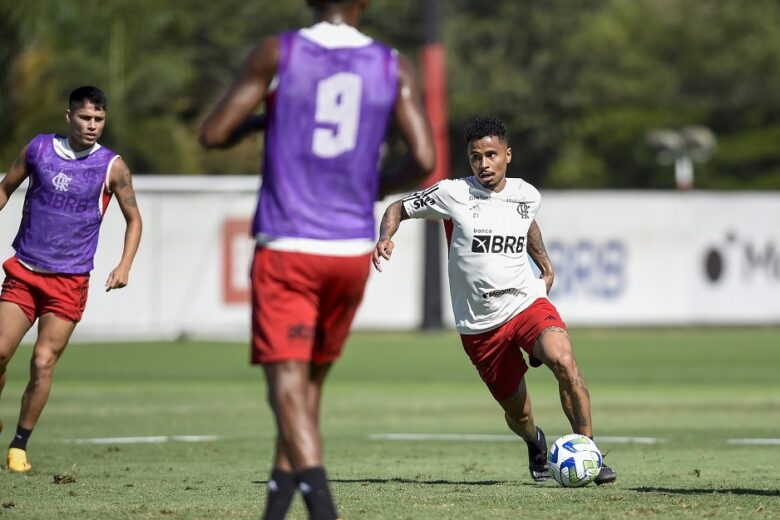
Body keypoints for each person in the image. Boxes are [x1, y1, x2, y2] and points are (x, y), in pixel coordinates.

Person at [199, 0, 435, 518]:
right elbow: (422, 158)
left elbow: (213, 133)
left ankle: (324, 511)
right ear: (364, 4)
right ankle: (274, 512)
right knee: (305, 396)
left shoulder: (278, 52)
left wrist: (262, 120)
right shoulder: (393, 64)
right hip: (350, 251)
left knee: (285, 392)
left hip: (289, 245)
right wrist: (370, 187)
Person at [372, 116, 617, 486]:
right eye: (475, 157)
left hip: (525, 303)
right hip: (480, 325)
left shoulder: (526, 194)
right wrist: (385, 237)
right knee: (519, 414)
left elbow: (526, 224)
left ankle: (591, 455)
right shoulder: (452, 194)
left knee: (564, 361)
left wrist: (545, 266)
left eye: (491, 155)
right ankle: (535, 442)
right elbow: (397, 208)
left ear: (507, 154)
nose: (484, 164)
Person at [0, 85, 143, 473]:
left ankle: (18, 445)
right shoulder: (39, 150)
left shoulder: (112, 166)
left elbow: (134, 220)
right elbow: (5, 189)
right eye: (85, 117)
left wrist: (125, 264)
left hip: (69, 282)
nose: (92, 125)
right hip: (26, 271)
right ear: (69, 117)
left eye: (99, 119)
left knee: (43, 363)